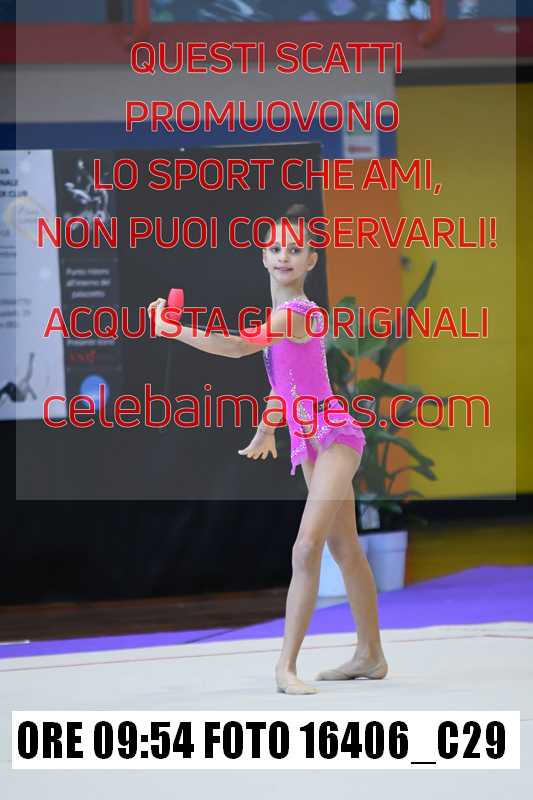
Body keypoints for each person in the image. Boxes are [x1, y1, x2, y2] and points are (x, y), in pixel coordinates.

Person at [148, 204, 388, 695]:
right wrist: (266, 430)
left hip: (335, 435)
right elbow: (285, 385)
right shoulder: (279, 317)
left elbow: (237, 347)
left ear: (311, 261)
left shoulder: (298, 314)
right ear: (263, 256)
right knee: (345, 548)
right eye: (276, 248)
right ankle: (370, 655)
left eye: (295, 250)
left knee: (306, 547)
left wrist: (176, 330)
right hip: (309, 439)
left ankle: (286, 666)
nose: (284, 256)